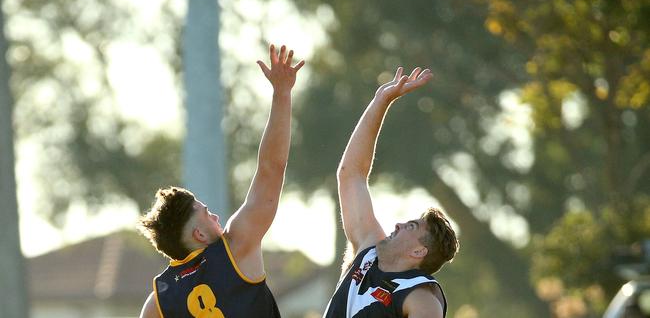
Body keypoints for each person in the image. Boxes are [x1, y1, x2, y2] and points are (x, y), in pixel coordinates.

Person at [137, 44, 304, 318]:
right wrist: (282, 94)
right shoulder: (235, 248)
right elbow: (271, 169)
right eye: (206, 213)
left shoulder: (158, 301)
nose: (214, 214)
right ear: (199, 235)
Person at [323, 67, 460, 318]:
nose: (397, 224)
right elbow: (351, 175)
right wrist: (381, 101)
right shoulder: (368, 253)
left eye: (410, 227)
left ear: (418, 252)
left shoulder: (421, 297)